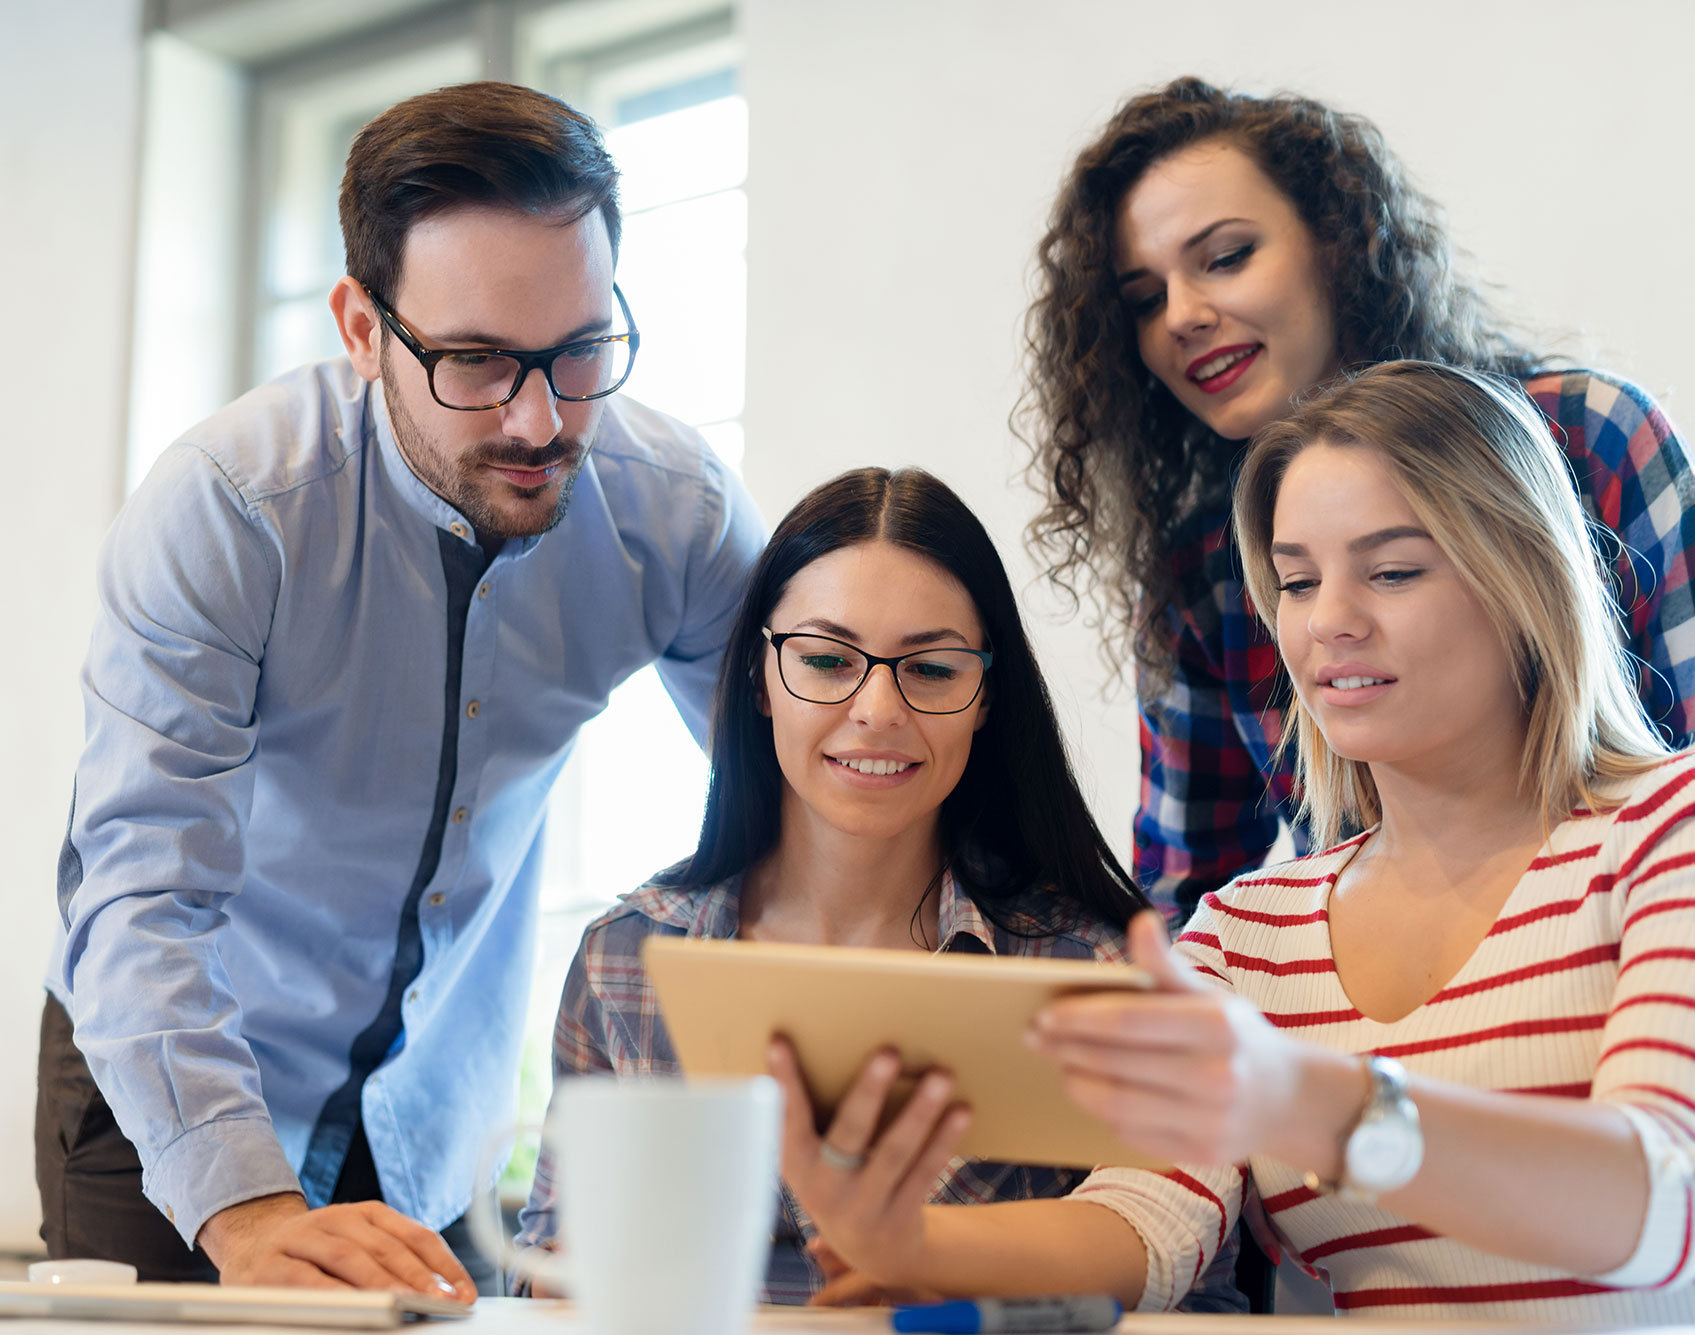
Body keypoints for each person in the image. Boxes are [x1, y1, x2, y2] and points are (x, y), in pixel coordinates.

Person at [771, 361, 1695, 1323]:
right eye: (1296, 580)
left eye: (1391, 570)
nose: (1328, 620)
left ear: (1523, 580)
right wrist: (905, 1240)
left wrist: (1307, 1099)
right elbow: (1144, 1221)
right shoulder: (1250, 933)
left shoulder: (1664, 827)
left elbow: (1663, 1202)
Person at [38, 81, 762, 1296]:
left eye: (582, 350)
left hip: (435, 1091)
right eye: (476, 360)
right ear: (364, 331)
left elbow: (803, 789)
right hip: (171, 1072)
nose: (541, 419)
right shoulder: (230, 513)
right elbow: (141, 893)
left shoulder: (674, 512)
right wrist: (252, 1212)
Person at [515, 467, 1238, 1310]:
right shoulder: (624, 956)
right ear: (759, 676)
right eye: (826, 660)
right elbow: (538, 1276)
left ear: (984, 699)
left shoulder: (1089, 969)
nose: (877, 708)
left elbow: (1197, 1304)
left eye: (929, 670)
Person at [1020, 76, 1695, 921]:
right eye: (1145, 300)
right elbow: (1175, 905)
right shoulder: (1201, 574)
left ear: (1336, 245)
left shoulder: (1589, 437)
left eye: (1225, 257)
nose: (1183, 316)